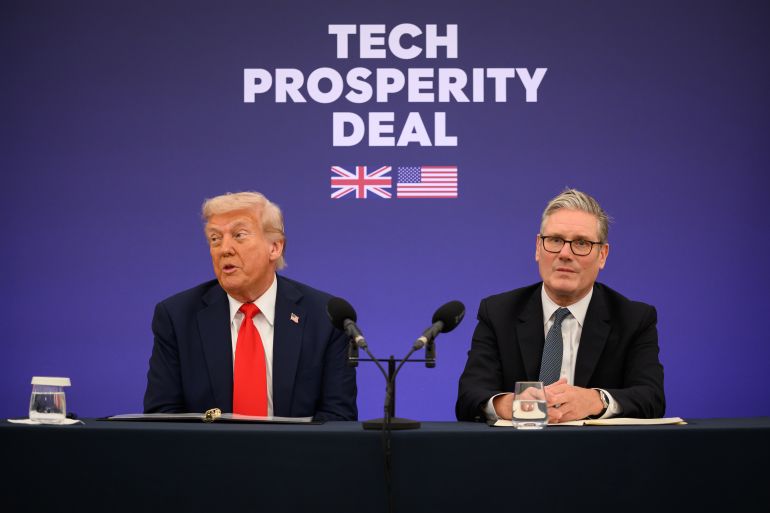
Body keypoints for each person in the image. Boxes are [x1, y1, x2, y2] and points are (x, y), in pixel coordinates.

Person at [144, 191, 357, 421]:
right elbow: (162, 416)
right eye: (215, 238)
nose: (224, 249)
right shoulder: (177, 317)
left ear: (274, 247)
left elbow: (338, 417)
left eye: (239, 235)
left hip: (296, 455)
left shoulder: (325, 317)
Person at [456, 189, 664, 423]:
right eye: (555, 240)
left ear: (602, 255)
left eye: (581, 243)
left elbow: (652, 398)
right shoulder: (498, 312)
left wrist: (596, 400)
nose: (565, 253)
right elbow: (469, 396)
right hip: (515, 454)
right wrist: (510, 405)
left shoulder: (633, 319)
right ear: (538, 247)